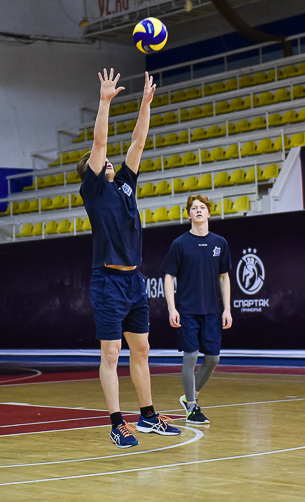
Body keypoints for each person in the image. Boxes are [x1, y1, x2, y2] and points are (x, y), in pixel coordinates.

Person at [77, 68, 180, 448]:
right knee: (111, 352)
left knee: (142, 349)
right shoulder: (93, 191)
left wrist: (145, 105)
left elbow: (138, 141)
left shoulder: (123, 184)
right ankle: (117, 422)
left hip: (134, 280)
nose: (106, 161)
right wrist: (104, 102)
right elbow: (100, 141)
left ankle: (148, 416)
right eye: (99, 161)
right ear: (89, 171)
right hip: (107, 281)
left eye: (106, 161)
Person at [161, 194, 232, 425]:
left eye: (202, 207)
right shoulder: (179, 244)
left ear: (209, 213)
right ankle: (192, 408)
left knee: (213, 358)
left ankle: (189, 396)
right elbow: (169, 277)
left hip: (211, 311)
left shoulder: (220, 243)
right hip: (187, 310)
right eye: (194, 208)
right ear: (189, 214)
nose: (198, 210)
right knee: (190, 356)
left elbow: (224, 277)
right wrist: (172, 308)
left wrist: (227, 309)